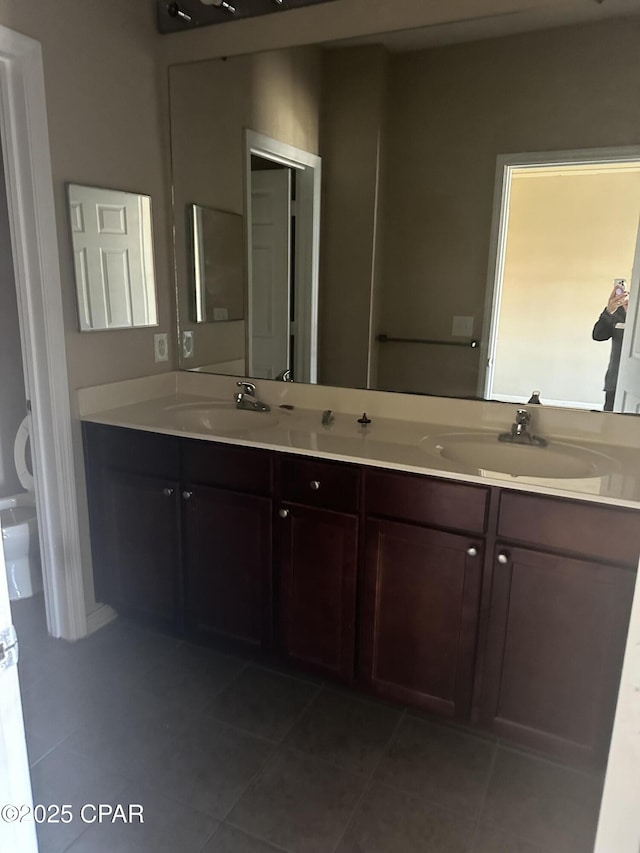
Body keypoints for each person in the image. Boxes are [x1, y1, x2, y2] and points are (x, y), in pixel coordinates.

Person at [592, 283, 629, 411]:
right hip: (615, 382)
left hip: (635, 384)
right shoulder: (617, 312)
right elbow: (598, 335)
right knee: (610, 425)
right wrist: (609, 311)